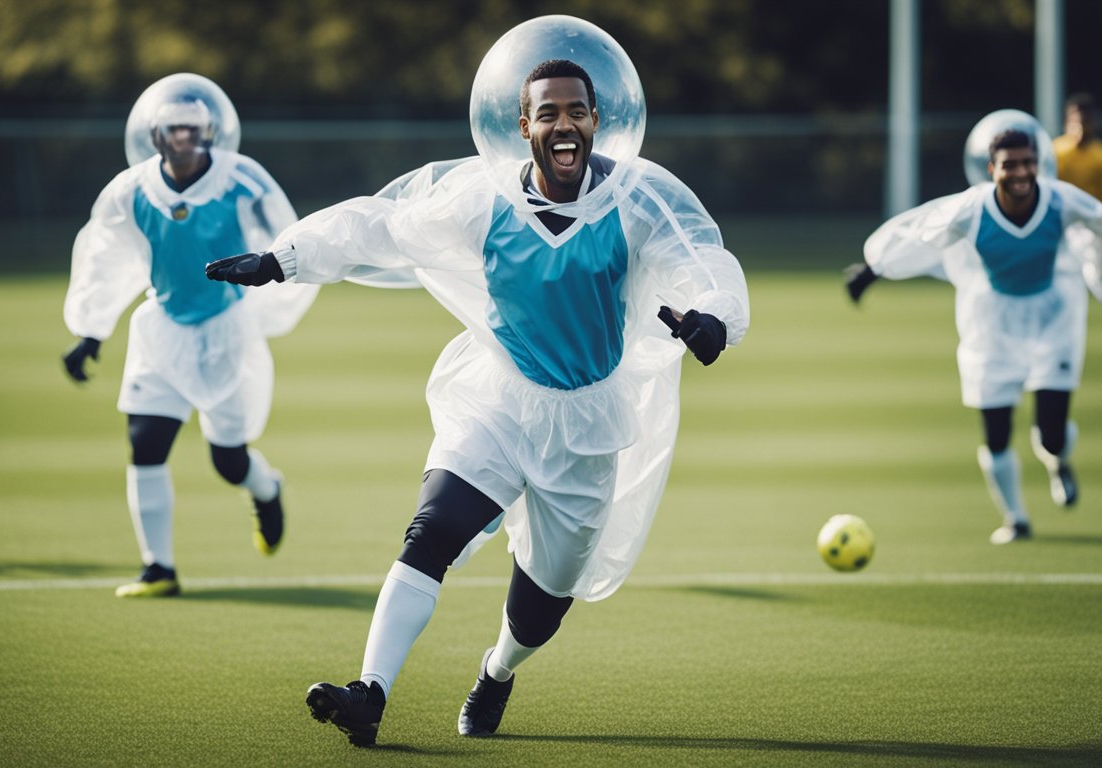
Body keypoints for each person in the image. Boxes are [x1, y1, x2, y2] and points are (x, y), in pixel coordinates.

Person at [208, 16, 749, 747]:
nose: (564, 123)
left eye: (576, 111)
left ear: (598, 121)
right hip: (498, 400)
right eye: (547, 112)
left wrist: (714, 319)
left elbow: (702, 259)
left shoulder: (637, 198)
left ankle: (496, 671)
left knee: (541, 609)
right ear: (522, 125)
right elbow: (382, 226)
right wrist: (284, 258)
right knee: (431, 530)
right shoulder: (483, 197)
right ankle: (370, 693)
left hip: (586, 427)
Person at [62, 73, 318, 597]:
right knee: (144, 443)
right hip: (160, 331)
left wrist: (269, 302)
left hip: (225, 333)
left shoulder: (243, 179)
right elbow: (102, 255)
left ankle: (266, 489)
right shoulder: (131, 190)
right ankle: (158, 568)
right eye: (172, 131)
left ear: (210, 133)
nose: (182, 140)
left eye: (192, 131)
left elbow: (289, 242)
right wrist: (91, 330)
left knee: (227, 460)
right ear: (154, 136)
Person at [846, 119, 1102, 545]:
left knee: (1051, 435)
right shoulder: (972, 209)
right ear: (990, 170)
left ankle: (1058, 462)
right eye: (1009, 165)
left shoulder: (1061, 202)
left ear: (1039, 164)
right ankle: (1015, 518)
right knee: (996, 430)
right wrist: (873, 271)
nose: (1020, 173)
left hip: (1054, 317)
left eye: (1027, 163)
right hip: (992, 322)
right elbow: (919, 233)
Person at [1053, 93, 1102, 230]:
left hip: (1091, 222)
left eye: (1084, 123)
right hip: (1060, 221)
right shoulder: (1055, 151)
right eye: (1075, 123)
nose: (1079, 129)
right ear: (1066, 122)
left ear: (1092, 123)